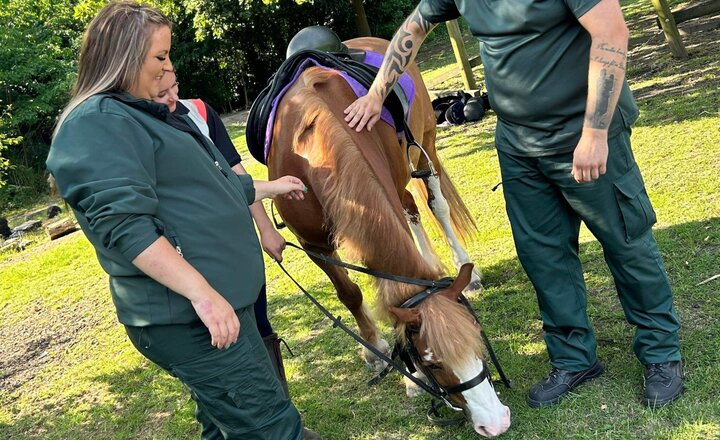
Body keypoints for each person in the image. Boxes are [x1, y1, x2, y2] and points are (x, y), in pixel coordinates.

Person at [344, 0, 683, 409]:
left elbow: (611, 34)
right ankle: (574, 359)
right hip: (519, 144)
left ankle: (661, 354)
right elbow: (413, 28)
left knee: (627, 243)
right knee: (543, 254)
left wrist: (595, 133)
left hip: (584, 134)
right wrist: (376, 93)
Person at [46, 2, 320, 438]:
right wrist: (204, 295)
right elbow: (125, 229)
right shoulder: (96, 123)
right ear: (124, 55)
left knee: (222, 424)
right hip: (192, 317)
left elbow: (205, 191)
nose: (168, 67)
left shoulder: (144, 113)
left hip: (224, 303)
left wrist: (270, 188)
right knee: (274, 427)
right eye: (160, 56)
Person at [153, 70, 292, 397]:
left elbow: (235, 177)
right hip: (195, 258)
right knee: (223, 343)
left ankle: (281, 408)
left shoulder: (198, 112)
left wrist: (266, 229)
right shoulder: (142, 132)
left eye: (175, 85)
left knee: (258, 324)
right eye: (162, 93)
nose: (173, 97)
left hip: (238, 249)